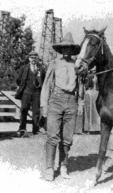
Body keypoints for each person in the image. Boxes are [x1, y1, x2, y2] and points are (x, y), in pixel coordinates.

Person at [40, 32, 84, 181]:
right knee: (52, 136)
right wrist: (43, 105)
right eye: (64, 48)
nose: (67, 51)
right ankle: (49, 169)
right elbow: (46, 85)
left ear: (72, 50)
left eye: (69, 48)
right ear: (61, 49)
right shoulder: (54, 63)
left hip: (71, 101)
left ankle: (64, 166)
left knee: (67, 138)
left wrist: (80, 103)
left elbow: (81, 86)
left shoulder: (77, 65)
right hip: (55, 100)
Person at [15, 51, 46, 137]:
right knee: (24, 109)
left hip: (37, 92)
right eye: (32, 58)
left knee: (36, 111)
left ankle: (35, 130)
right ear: (29, 59)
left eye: (35, 58)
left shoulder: (41, 68)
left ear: (37, 59)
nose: (33, 60)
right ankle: (22, 129)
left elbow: (44, 80)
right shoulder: (24, 68)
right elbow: (18, 80)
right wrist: (22, 87)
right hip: (26, 92)